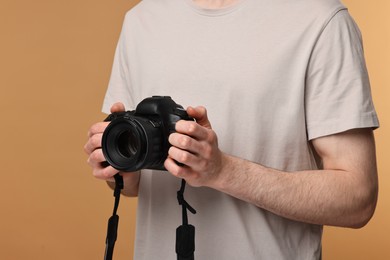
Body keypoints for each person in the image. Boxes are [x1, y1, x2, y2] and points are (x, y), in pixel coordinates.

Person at [84, 0, 379, 259]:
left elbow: (357, 198)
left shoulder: (322, 20)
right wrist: (119, 166)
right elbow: (133, 186)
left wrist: (223, 171)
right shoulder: (141, 19)